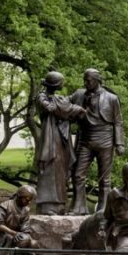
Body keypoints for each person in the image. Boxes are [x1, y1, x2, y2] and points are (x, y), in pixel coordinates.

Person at [68, 68, 125, 215]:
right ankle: (79, 207)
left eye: (88, 80)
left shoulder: (111, 98)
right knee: (78, 175)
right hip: (85, 140)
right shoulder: (79, 94)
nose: (85, 83)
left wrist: (119, 143)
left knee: (105, 179)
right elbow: (64, 103)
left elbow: (118, 122)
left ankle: (103, 210)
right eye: (84, 80)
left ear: (97, 80)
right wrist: (47, 95)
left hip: (105, 140)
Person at [34, 71, 85, 215]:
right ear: (55, 84)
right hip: (50, 137)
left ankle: (60, 204)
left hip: (61, 138)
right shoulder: (41, 97)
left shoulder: (56, 98)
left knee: (61, 168)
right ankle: (47, 206)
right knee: (50, 167)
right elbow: (51, 108)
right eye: (61, 81)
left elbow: (65, 109)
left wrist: (70, 105)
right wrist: (69, 107)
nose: (63, 84)